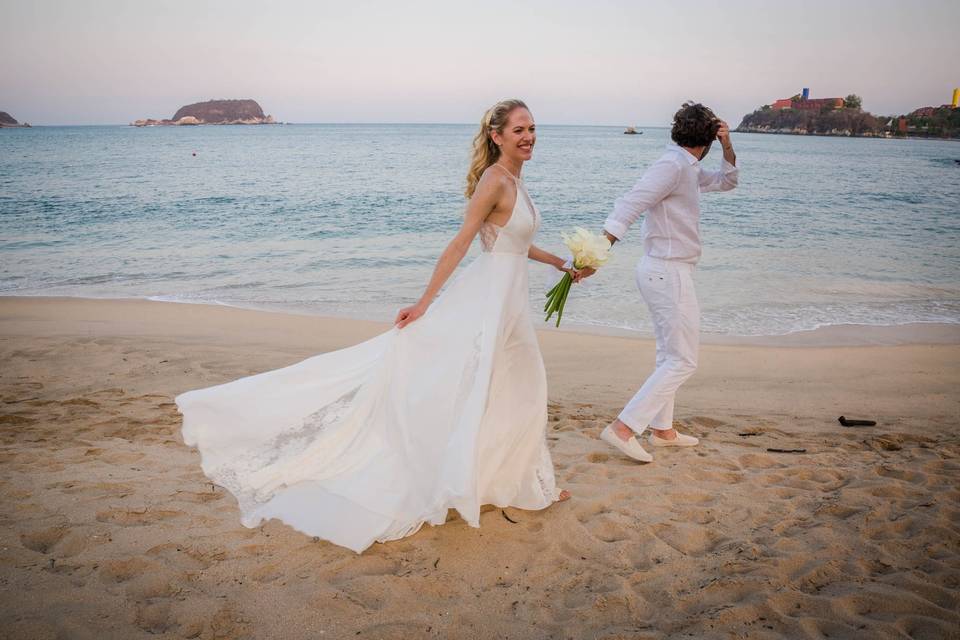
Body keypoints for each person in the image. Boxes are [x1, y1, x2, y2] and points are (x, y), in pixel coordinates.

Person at [176, 99, 574, 554]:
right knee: (490, 385)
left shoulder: (517, 181)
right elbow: (463, 241)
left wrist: (562, 263)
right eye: (519, 129)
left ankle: (514, 482)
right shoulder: (494, 180)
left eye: (533, 128)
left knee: (514, 388)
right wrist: (425, 302)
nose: (528, 136)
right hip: (487, 302)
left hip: (509, 303)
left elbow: (514, 243)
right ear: (496, 136)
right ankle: (504, 483)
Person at [588, 102, 738, 462]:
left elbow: (728, 181)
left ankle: (663, 430)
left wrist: (727, 145)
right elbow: (630, 204)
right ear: (707, 137)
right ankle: (624, 428)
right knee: (683, 360)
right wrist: (595, 255)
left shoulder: (688, 166)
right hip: (667, 270)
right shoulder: (673, 165)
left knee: (669, 356)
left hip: (666, 270)